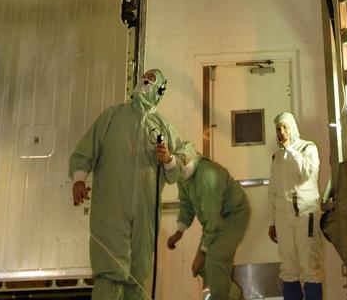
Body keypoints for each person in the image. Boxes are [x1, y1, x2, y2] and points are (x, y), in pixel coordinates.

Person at [69, 68, 184, 300]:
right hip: (111, 207)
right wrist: (79, 180)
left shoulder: (162, 127)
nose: (145, 81)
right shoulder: (112, 117)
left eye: (151, 80)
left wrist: (168, 159)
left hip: (144, 211)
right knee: (110, 271)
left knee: (137, 274)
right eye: (144, 78)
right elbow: (86, 149)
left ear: (159, 90)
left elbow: (178, 167)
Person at [167, 146, 250, 300]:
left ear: (191, 159)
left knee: (213, 261)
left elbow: (213, 220)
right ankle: (226, 296)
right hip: (216, 220)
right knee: (202, 267)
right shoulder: (183, 176)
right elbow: (186, 204)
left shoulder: (207, 175)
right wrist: (179, 232)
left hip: (234, 216)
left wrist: (202, 253)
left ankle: (235, 297)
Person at [267, 111, 324, 300]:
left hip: (305, 214)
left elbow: (308, 173)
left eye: (285, 128)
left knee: (310, 265)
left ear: (292, 128)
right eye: (278, 129)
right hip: (284, 218)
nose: (281, 132)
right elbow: (273, 191)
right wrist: (272, 221)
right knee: (288, 267)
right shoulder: (277, 157)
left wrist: (291, 150)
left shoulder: (308, 148)